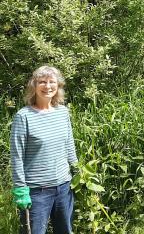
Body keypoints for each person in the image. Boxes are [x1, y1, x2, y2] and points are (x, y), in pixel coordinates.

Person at [10, 66, 78, 234]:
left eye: (51, 82)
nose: (47, 86)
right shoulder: (23, 116)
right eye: (42, 82)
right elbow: (17, 156)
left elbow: (69, 144)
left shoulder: (63, 112)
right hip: (36, 192)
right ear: (34, 86)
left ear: (58, 86)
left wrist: (78, 171)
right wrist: (20, 188)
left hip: (64, 188)